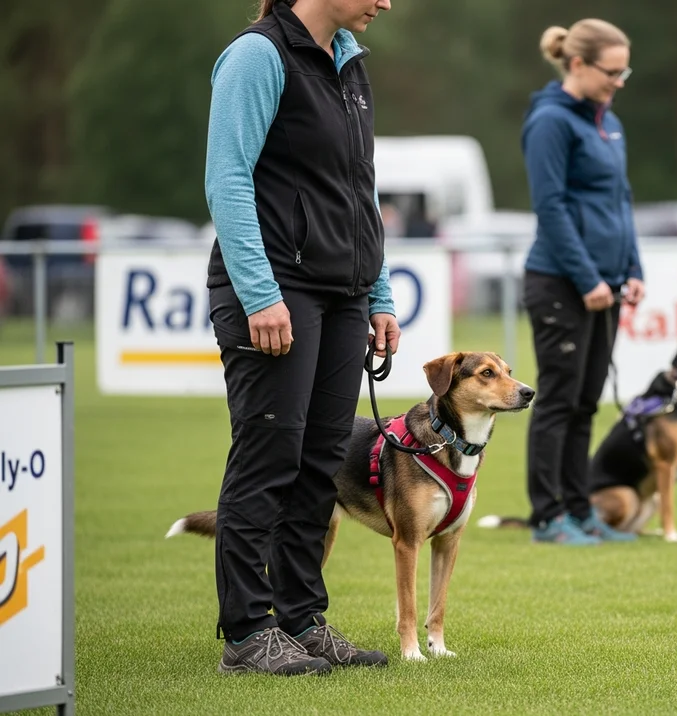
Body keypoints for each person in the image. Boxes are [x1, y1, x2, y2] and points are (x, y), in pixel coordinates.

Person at [203, 0, 400, 676]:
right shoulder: (258, 55)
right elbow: (227, 178)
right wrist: (261, 293)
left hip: (344, 296)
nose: (386, 3)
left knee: (320, 465)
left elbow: (360, 188)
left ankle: (301, 621)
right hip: (275, 291)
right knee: (269, 460)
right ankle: (246, 634)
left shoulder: (349, 63)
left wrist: (378, 294)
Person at [521, 19, 645, 546]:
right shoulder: (550, 121)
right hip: (560, 283)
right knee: (558, 401)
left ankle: (580, 509)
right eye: (611, 72)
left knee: (587, 402)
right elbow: (550, 207)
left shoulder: (607, 121)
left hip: (606, 286)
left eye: (625, 72)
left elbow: (621, 201)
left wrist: (632, 269)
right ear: (577, 64)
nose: (619, 81)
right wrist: (588, 276)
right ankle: (548, 517)